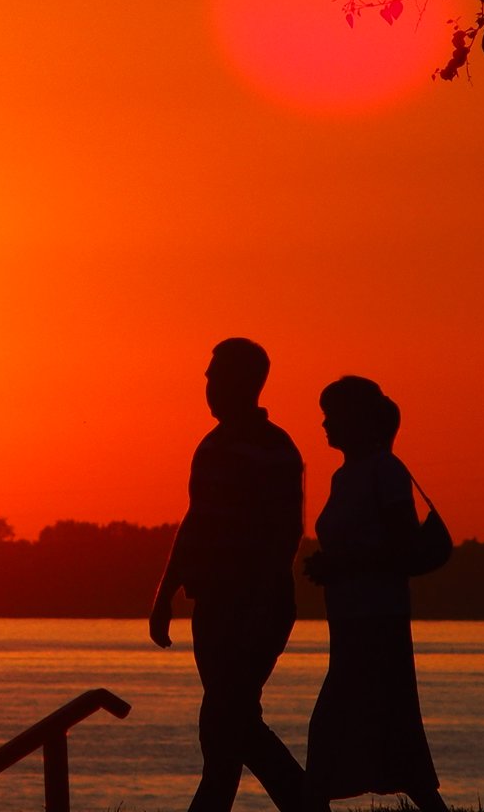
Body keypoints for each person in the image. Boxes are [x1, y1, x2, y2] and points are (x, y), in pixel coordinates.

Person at [150, 337, 309, 812]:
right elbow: (196, 521)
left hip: (252, 606)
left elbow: (285, 534)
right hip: (219, 603)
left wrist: (260, 603)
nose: (207, 384)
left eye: (215, 375)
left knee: (228, 717)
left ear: (243, 382)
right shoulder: (216, 445)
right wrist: (165, 594)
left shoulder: (272, 448)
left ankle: (303, 803)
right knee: (228, 719)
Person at [301, 375, 448, 812]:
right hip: (349, 622)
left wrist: (340, 565)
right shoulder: (344, 476)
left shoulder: (386, 470)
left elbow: (402, 545)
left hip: (378, 621)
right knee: (378, 730)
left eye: (332, 415)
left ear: (356, 419)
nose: (325, 424)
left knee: (339, 729)